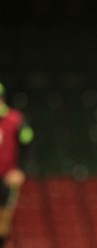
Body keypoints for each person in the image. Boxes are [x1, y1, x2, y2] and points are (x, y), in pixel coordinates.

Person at [0, 82, 34, 247]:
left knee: (3, 221)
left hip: (6, 177)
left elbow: (28, 143)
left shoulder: (15, 119)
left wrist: (20, 170)